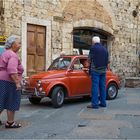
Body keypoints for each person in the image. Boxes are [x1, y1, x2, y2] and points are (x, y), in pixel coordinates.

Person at [0, 35, 24, 128]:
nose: (20, 45)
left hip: (3, 80)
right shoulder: (13, 55)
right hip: (9, 81)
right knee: (11, 101)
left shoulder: (5, 53)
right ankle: (10, 122)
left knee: (2, 101)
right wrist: (17, 83)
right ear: (12, 44)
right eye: (19, 43)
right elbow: (11, 70)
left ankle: (10, 122)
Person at [87, 36, 108, 109]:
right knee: (103, 87)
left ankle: (95, 104)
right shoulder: (105, 49)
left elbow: (89, 59)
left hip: (95, 70)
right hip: (103, 71)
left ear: (93, 42)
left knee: (95, 87)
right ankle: (103, 103)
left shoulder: (93, 48)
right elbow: (108, 61)